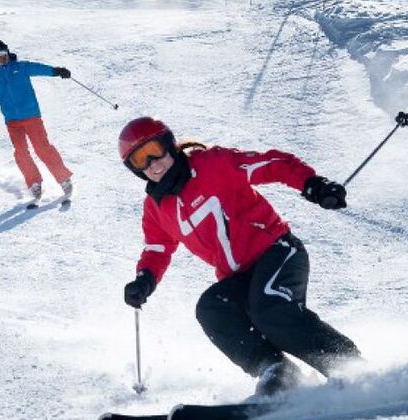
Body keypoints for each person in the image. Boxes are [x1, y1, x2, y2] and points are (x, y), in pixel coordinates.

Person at [119, 116, 361, 396]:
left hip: (277, 250)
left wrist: (313, 183)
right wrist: (145, 279)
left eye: (154, 151)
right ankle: (277, 372)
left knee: (270, 308)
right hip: (239, 276)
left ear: (169, 144)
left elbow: (271, 164)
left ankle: (348, 366)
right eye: (140, 160)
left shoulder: (212, 164)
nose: (153, 164)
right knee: (212, 309)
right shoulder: (156, 208)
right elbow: (157, 249)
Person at [0, 40, 74, 202]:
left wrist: (56, 71)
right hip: (12, 121)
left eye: (4, 53)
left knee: (42, 148)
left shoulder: (21, 67)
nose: (3, 57)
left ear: (8, 53)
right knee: (21, 152)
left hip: (31, 116)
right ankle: (34, 182)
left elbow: (39, 68)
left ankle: (63, 178)